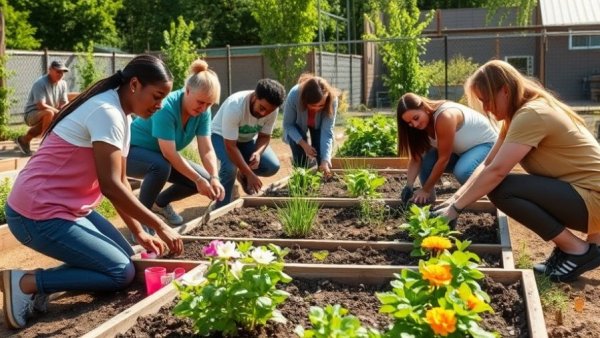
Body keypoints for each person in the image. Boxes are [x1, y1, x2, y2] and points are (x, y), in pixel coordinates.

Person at [1, 55, 184, 329]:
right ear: (134, 84)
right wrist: (159, 225)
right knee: (119, 273)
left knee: (128, 261)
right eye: (157, 96)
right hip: (35, 213)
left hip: (68, 209)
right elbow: (110, 185)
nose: (159, 105)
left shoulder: (122, 115)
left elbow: (119, 182)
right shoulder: (106, 112)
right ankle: (27, 283)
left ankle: (37, 284)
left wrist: (139, 232)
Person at [435, 59, 600, 283]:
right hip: (587, 194)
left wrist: (456, 208)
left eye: (487, 100)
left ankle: (578, 251)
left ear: (504, 90)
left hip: (593, 198)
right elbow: (487, 163)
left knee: (502, 189)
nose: (486, 109)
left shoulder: (532, 115)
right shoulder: (520, 114)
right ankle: (577, 248)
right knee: (500, 183)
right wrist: (453, 201)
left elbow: (497, 172)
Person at [127, 59, 225, 232]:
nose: (204, 108)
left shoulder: (203, 111)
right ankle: (141, 221)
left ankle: (160, 203)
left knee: (207, 180)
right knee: (161, 166)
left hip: (161, 157)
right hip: (130, 154)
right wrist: (198, 179)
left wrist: (214, 177)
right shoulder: (166, 107)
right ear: (187, 91)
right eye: (201, 102)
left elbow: (207, 148)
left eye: (209, 104)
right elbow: (169, 153)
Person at [397, 92, 498, 205]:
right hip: (461, 151)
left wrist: (425, 189)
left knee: (463, 172)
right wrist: (409, 186)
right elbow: (416, 159)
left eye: (416, 118)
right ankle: (426, 203)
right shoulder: (419, 127)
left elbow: (443, 159)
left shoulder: (444, 116)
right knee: (426, 159)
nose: (415, 124)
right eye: (409, 123)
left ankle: (492, 191)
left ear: (424, 107)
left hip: (487, 145)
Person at [211, 78, 286, 208]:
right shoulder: (235, 106)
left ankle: (242, 175)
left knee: (272, 166)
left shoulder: (271, 110)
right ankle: (220, 207)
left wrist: (257, 153)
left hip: (245, 140)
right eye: (262, 108)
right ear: (255, 96)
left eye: (268, 111)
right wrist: (250, 173)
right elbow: (230, 146)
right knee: (229, 168)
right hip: (221, 137)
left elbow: (264, 136)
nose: (264, 114)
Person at [282, 74, 339, 176]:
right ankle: (301, 172)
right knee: (300, 155)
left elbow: (327, 131)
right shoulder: (295, 95)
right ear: (305, 100)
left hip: (319, 127)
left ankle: (318, 169)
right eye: (313, 105)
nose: (317, 109)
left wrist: (325, 159)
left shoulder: (332, 99)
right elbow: (288, 125)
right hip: (297, 126)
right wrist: (304, 145)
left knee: (321, 156)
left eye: (321, 105)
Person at [16, 60, 70, 156]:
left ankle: (24, 140)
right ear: (50, 70)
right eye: (58, 71)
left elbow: (64, 103)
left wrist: (65, 112)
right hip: (32, 114)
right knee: (50, 113)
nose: (61, 74)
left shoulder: (63, 84)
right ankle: (44, 145)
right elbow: (40, 105)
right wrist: (58, 112)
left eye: (63, 72)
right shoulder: (40, 83)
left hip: (49, 113)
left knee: (56, 115)